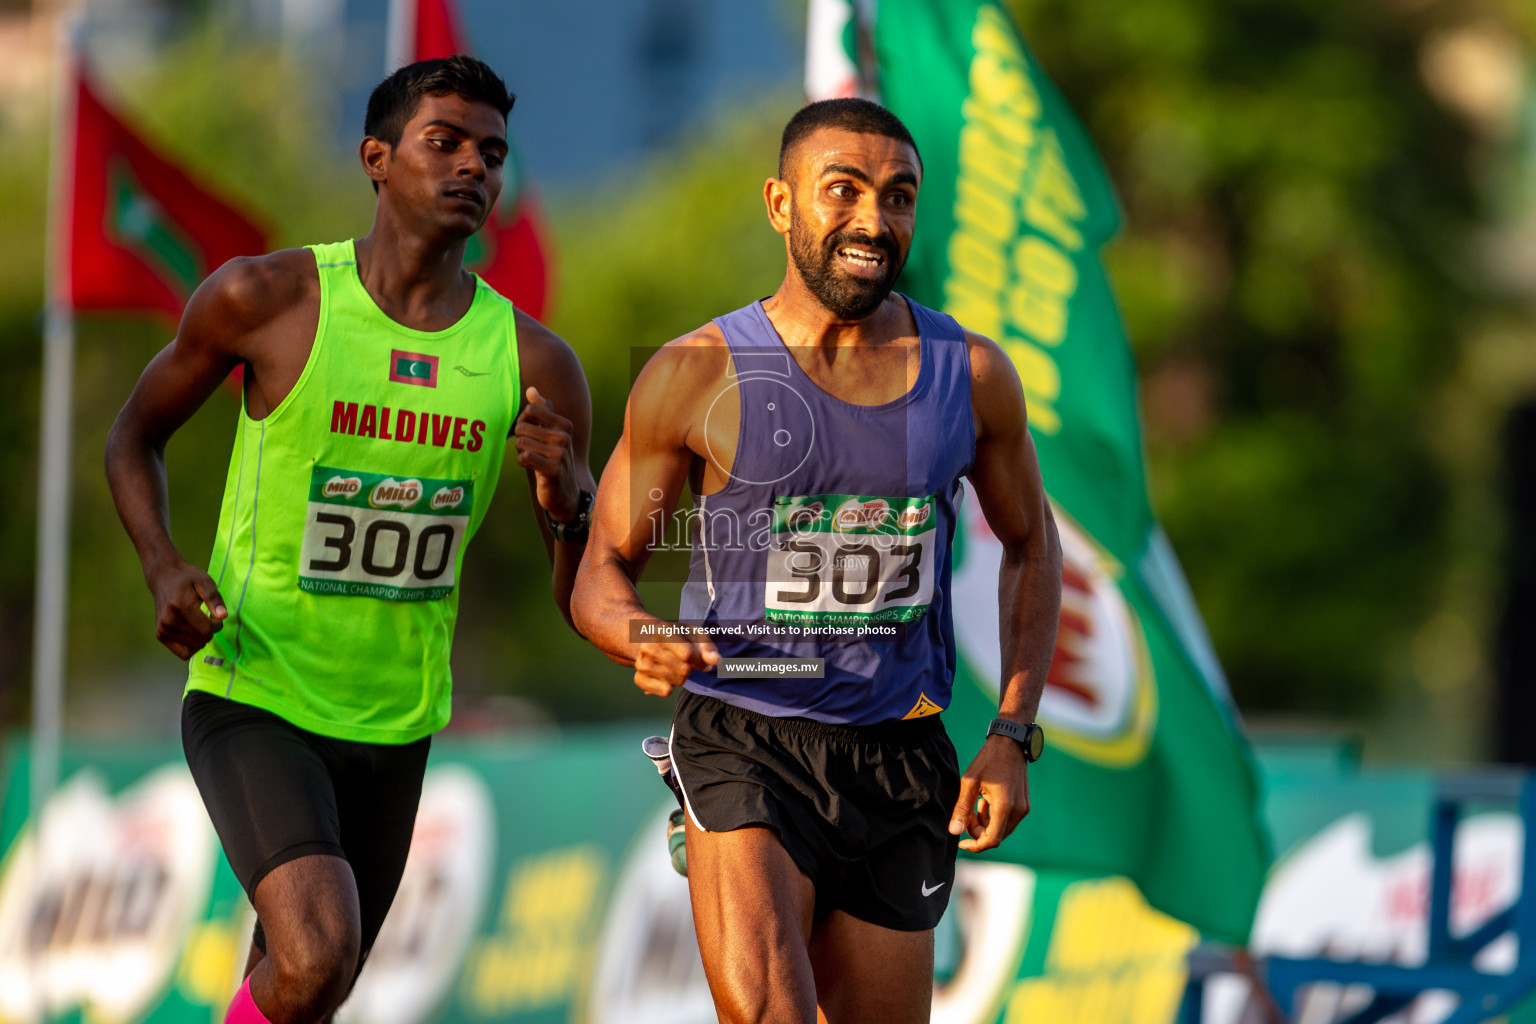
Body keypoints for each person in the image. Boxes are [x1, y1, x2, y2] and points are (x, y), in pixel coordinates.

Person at [104, 56, 594, 1024]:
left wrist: (565, 496)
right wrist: (163, 563)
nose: (473, 169)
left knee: (301, 987)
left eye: (491, 154)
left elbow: (574, 591)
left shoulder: (535, 361)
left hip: (397, 721)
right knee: (318, 951)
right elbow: (135, 436)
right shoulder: (269, 299)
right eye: (443, 143)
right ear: (377, 158)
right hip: (257, 685)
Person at [571, 98, 1062, 1024]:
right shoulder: (697, 372)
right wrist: (642, 636)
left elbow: (1034, 546)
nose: (875, 220)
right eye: (844, 190)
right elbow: (602, 573)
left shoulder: (974, 374)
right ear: (780, 203)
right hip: (745, 737)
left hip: (902, 757)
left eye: (899, 196)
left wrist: (1011, 733)